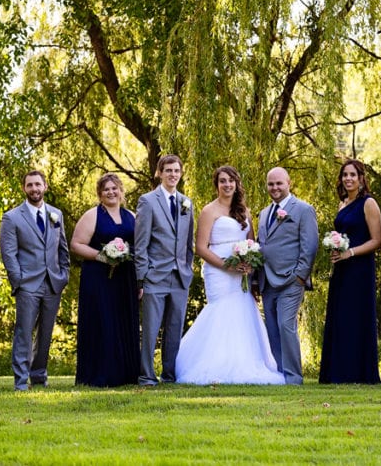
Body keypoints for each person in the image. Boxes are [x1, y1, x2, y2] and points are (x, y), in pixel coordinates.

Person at [175, 166, 284, 385]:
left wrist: (249, 265)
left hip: (241, 271)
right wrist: (227, 265)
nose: (227, 185)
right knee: (221, 311)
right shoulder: (209, 211)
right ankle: (213, 362)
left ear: (237, 184)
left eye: (231, 181)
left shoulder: (244, 210)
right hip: (218, 272)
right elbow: (201, 248)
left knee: (243, 312)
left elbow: (252, 244)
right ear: (216, 185)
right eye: (222, 181)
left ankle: (243, 361)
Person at [0, 170, 70, 391]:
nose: (34, 189)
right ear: (24, 188)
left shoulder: (56, 214)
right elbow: (8, 253)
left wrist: (64, 274)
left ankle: (38, 376)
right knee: (24, 332)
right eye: (29, 185)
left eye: (38, 184)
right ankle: (20, 381)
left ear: (45, 186)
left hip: (53, 283)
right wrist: (18, 281)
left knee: (46, 333)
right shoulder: (12, 217)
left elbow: (63, 248)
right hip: (27, 283)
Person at [70, 173, 140, 387]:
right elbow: (77, 244)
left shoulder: (132, 216)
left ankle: (126, 374)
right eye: (106, 189)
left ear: (121, 191)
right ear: (100, 194)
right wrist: (102, 256)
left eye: (114, 188)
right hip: (98, 277)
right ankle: (98, 374)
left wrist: (140, 282)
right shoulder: (93, 215)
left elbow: (139, 247)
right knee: (102, 321)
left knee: (123, 321)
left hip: (125, 277)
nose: (111, 192)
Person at [318, 160, 381, 384]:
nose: (348, 179)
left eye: (353, 175)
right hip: (342, 268)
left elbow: (377, 240)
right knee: (341, 317)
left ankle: (359, 371)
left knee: (357, 317)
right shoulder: (343, 203)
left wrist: (351, 253)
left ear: (361, 178)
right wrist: (335, 248)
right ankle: (339, 370)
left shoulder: (369, 203)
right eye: (345, 175)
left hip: (360, 269)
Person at [134, 154, 195, 385]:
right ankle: (146, 375)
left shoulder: (186, 203)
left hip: (180, 276)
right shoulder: (148, 201)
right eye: (168, 170)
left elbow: (188, 242)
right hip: (154, 275)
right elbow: (141, 244)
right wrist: (142, 277)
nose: (172, 174)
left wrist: (187, 268)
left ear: (181, 173)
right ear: (159, 173)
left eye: (176, 171)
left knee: (174, 328)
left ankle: (169, 375)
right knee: (150, 329)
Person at [256, 167, 319, 385]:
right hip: (267, 280)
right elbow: (262, 245)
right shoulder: (264, 213)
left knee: (285, 325)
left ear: (288, 183)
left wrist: (300, 276)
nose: (274, 188)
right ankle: (281, 374)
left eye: (278, 183)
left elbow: (309, 246)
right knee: (272, 328)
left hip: (291, 280)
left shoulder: (303, 209)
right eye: (271, 184)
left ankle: (294, 377)